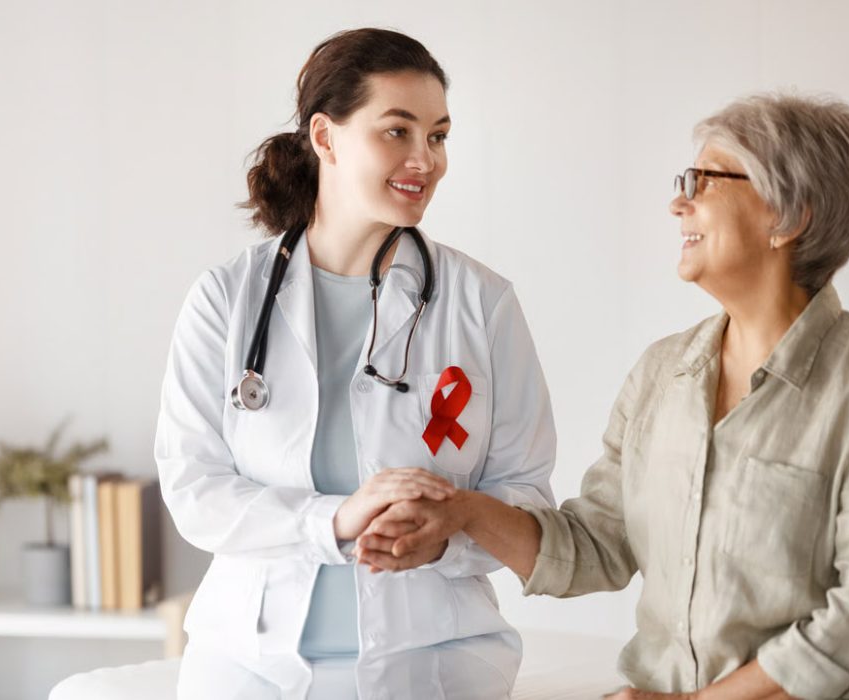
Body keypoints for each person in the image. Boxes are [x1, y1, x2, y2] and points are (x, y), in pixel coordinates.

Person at [357, 93, 849, 699]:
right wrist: (464, 512)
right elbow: (596, 547)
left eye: (705, 180)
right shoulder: (664, 373)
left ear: (787, 218)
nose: (677, 202)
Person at [155, 28, 555, 700]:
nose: (424, 159)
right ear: (325, 136)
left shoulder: (481, 304)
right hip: (248, 666)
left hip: (436, 662)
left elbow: (527, 498)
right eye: (396, 131)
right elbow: (195, 493)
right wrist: (336, 521)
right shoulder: (226, 300)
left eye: (438, 135)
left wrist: (448, 533)